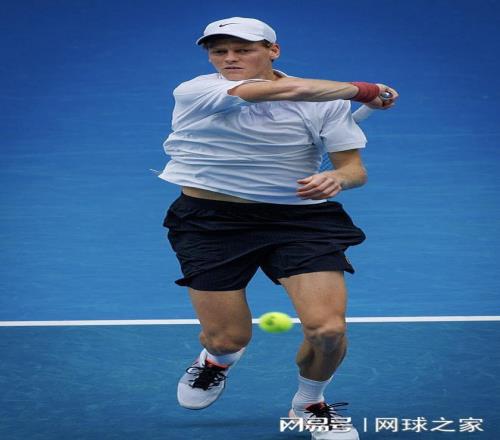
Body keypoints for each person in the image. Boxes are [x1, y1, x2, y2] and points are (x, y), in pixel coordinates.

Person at [159, 17, 398, 439]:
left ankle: (310, 403)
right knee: (227, 338)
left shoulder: (325, 102)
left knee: (328, 330)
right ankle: (216, 361)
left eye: (243, 49)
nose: (229, 58)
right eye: (219, 51)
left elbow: (354, 170)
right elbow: (288, 90)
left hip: (299, 219)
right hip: (211, 222)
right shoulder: (197, 90)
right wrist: (364, 90)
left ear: (273, 50)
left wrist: (337, 179)